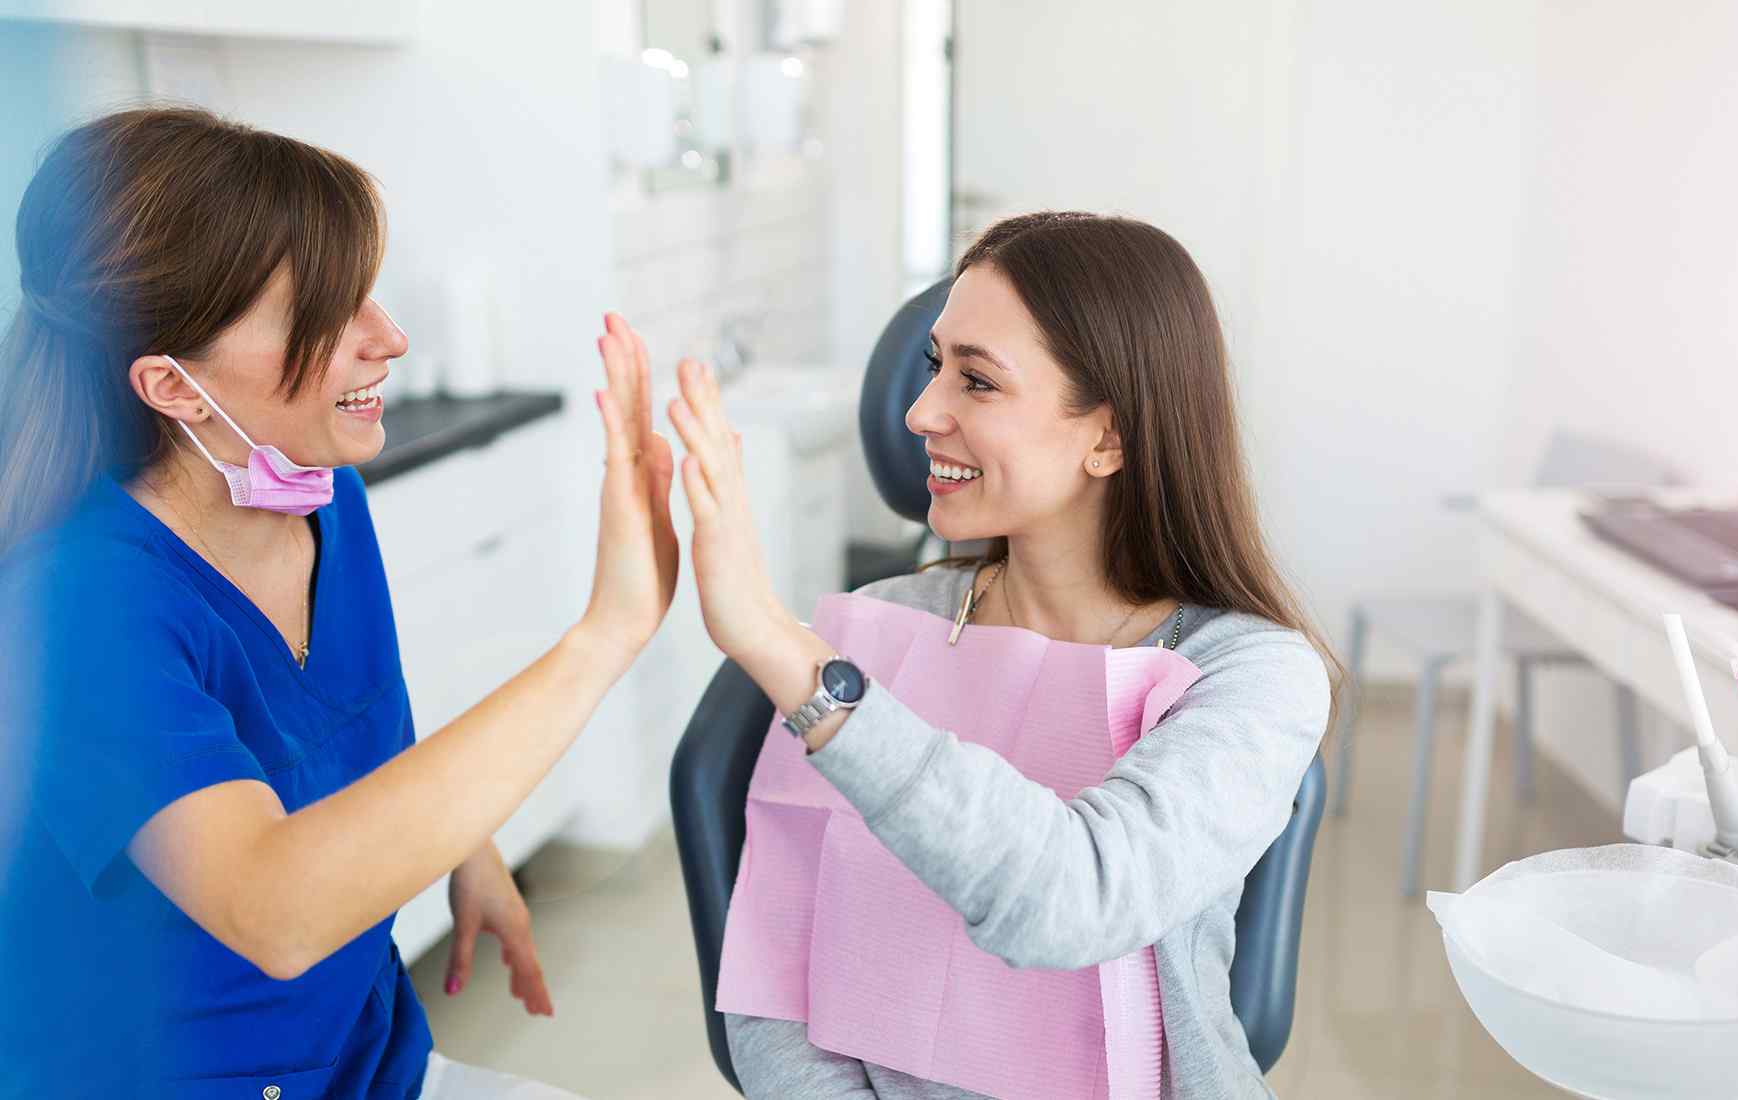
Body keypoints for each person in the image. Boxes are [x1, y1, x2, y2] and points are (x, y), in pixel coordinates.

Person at [0, 107, 678, 1098]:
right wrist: (606, 632)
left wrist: (467, 842)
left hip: (368, 1062)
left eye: (367, 292)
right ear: (174, 387)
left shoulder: (325, 498)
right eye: (328, 311)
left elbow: (357, 717)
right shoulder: (78, 609)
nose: (389, 338)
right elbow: (273, 906)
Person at [673, 211, 1340, 1099]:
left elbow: (1078, 897)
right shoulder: (874, 630)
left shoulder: (1251, 674)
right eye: (933, 367)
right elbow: (775, 984)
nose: (921, 413)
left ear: (1108, 437)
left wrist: (790, 658)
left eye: (977, 381)